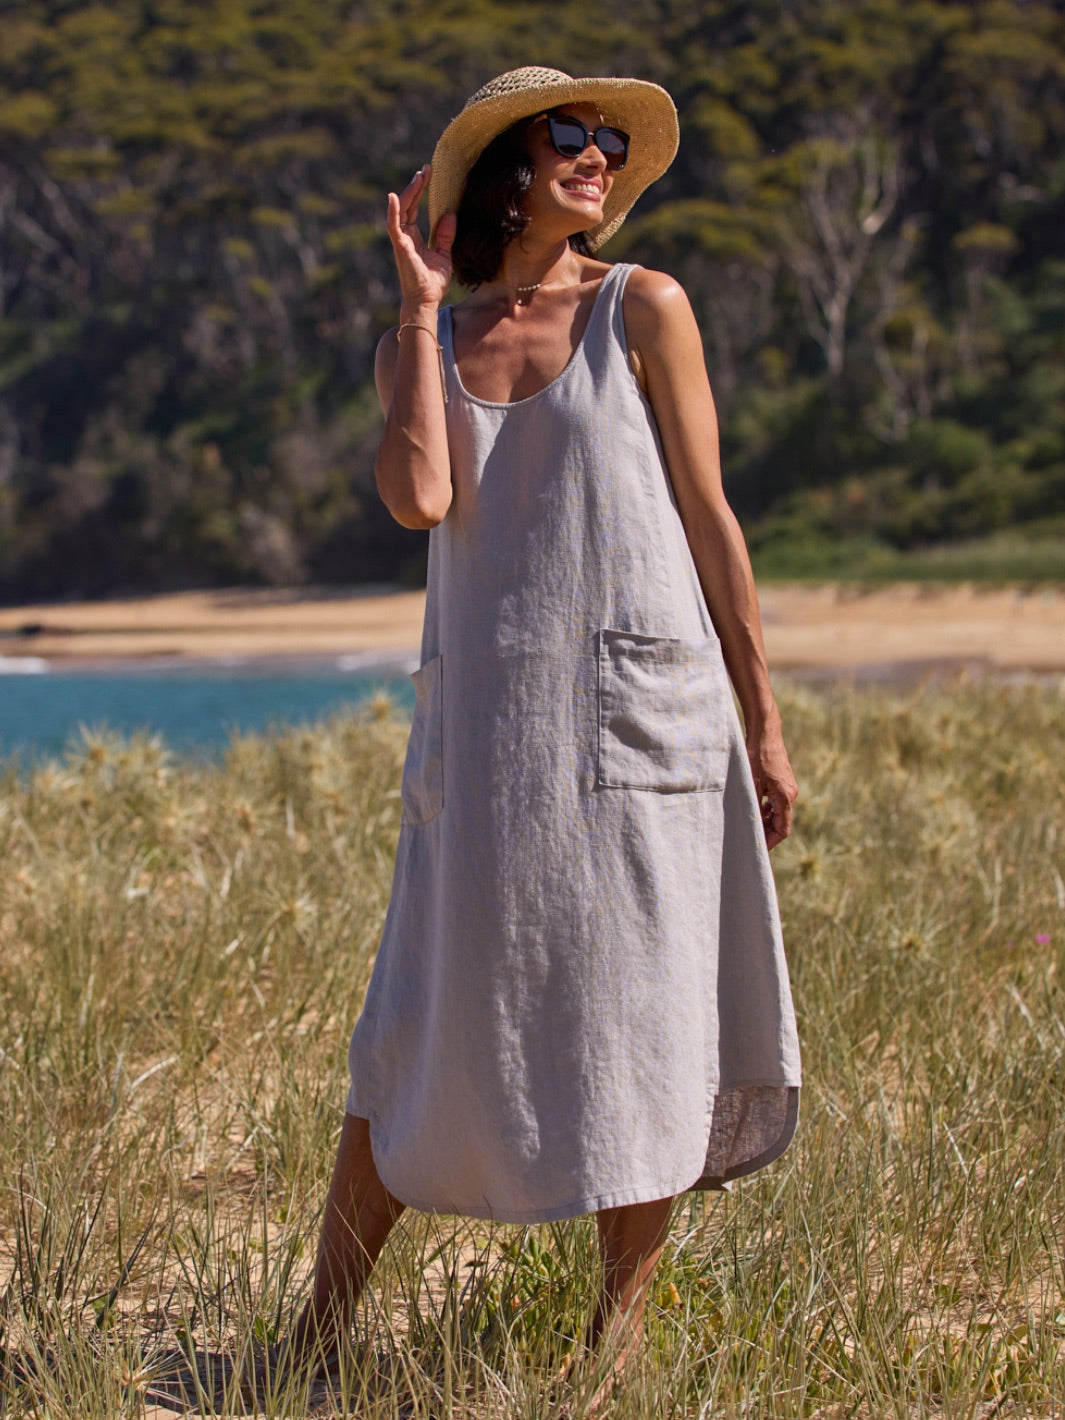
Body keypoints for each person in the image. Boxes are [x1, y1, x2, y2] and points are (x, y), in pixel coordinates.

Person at [285, 65, 801, 1397]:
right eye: (570, 136)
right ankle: (314, 1336)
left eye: (608, 142)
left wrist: (765, 721)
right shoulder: (442, 342)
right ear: (506, 167)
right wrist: (412, 308)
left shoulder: (644, 307)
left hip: (642, 730)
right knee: (415, 1019)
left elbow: (709, 519)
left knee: (642, 1014)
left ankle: (615, 1330)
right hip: (484, 744)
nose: (597, 156)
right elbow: (414, 498)